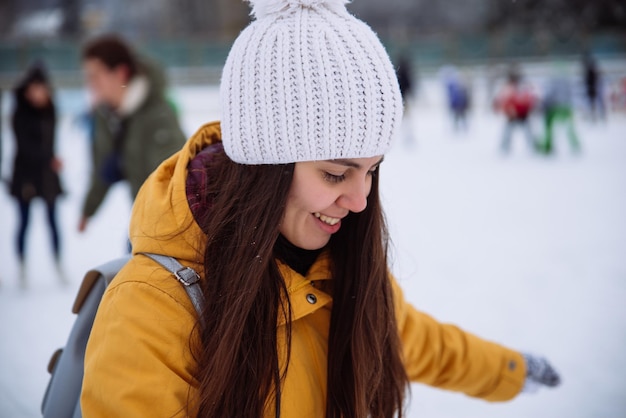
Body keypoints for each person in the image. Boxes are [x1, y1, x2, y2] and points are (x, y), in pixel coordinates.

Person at [81, 1, 560, 417]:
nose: (359, 201)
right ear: (262, 169)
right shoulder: (149, 311)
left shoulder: (341, 271)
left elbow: (422, 345)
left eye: (372, 170)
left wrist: (512, 370)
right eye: (335, 173)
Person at [78, 35, 185, 234]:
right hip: (141, 221)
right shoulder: (107, 115)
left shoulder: (157, 115)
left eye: (96, 75)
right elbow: (102, 167)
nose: (90, 83)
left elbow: (174, 185)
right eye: (87, 76)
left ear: (120, 73)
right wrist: (88, 210)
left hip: (165, 229)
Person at [9, 63, 65, 287]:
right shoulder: (20, 112)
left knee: (53, 220)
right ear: (27, 90)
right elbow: (24, 147)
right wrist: (49, 159)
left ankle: (58, 264)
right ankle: (22, 266)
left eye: (42, 88)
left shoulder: (50, 109)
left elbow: (51, 141)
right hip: (25, 175)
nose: (39, 94)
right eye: (35, 89)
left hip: (48, 175)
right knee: (24, 222)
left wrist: (52, 161)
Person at [494, 66, 537, 153]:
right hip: (513, 114)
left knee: (526, 132)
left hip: (522, 113)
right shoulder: (509, 88)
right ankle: (504, 147)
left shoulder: (523, 87)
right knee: (508, 131)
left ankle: (532, 146)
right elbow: (503, 100)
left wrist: (528, 109)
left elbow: (529, 99)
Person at [540, 65, 580, 155]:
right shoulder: (568, 81)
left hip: (554, 108)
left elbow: (549, 94)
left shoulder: (553, 81)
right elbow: (573, 95)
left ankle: (548, 146)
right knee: (570, 128)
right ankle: (575, 145)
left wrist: (544, 105)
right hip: (566, 108)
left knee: (549, 127)